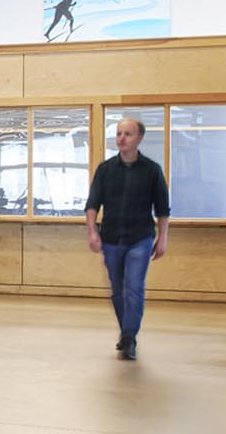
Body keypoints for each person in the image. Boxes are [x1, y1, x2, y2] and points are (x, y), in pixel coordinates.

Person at [85, 116, 169, 360]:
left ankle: (130, 337)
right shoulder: (105, 169)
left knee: (134, 288)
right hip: (111, 239)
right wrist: (92, 231)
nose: (121, 138)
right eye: (119, 134)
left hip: (139, 239)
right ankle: (126, 332)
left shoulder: (152, 170)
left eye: (127, 134)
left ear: (139, 138)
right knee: (118, 291)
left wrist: (163, 238)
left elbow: (163, 209)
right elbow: (92, 205)